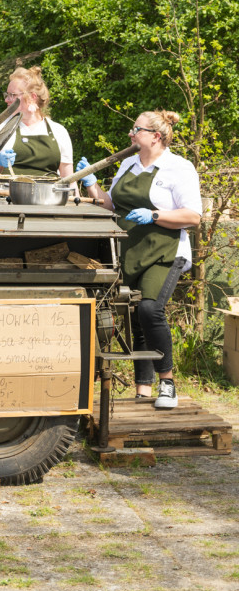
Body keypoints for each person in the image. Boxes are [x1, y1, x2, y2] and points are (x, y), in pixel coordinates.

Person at [77, 110, 202, 409]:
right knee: (134, 315)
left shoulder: (179, 168)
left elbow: (193, 216)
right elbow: (110, 204)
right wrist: (91, 184)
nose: (131, 134)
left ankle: (168, 383)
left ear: (155, 136)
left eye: (137, 129)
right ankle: (143, 389)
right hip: (129, 249)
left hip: (165, 251)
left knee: (149, 309)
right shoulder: (129, 164)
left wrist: (155, 215)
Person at [0, 66, 75, 178]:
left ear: (32, 97)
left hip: (48, 195)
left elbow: (69, 181)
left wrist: (75, 195)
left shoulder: (59, 131)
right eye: (7, 95)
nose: (6, 100)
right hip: (5, 193)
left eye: (12, 95)